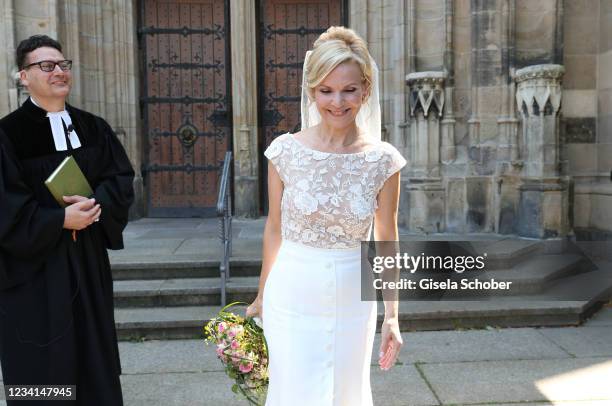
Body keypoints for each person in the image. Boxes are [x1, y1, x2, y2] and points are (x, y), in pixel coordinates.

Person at [246, 26, 406, 405]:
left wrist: (393, 315)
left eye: (349, 89)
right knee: (292, 392)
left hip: (354, 294)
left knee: (345, 393)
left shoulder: (384, 160)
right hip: (291, 289)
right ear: (312, 91)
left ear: (366, 90)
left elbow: (386, 240)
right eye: (326, 90)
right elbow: (274, 230)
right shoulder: (284, 152)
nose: (338, 102)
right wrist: (261, 294)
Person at [0, 35, 134, 405]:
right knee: (41, 363)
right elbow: (5, 205)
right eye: (46, 66)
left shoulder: (94, 128)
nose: (59, 71)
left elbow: (119, 179)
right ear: (23, 76)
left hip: (87, 263)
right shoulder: (7, 135)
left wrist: (95, 206)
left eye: (63, 65)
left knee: (93, 354)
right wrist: (58, 219)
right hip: (35, 273)